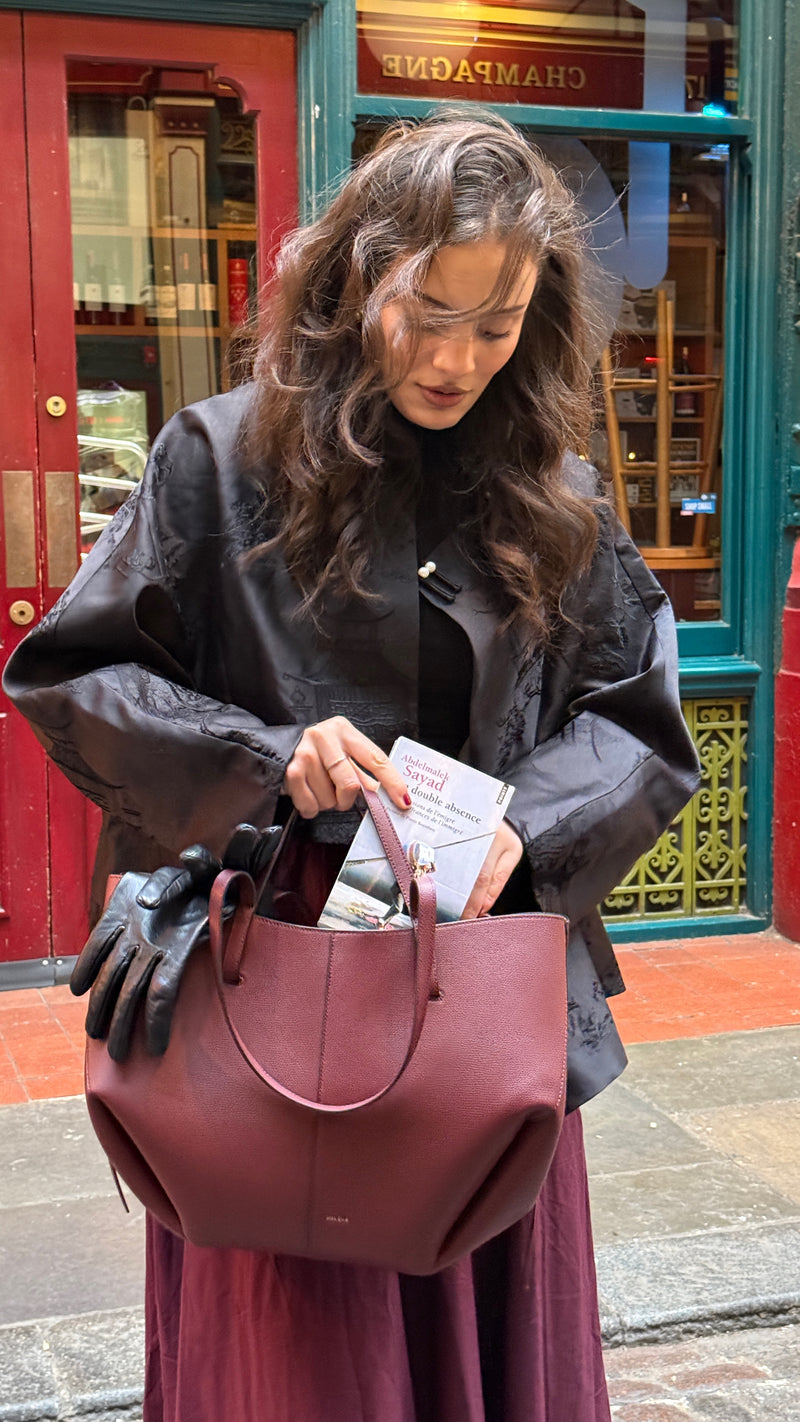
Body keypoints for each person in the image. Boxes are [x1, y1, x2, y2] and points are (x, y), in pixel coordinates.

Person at [3, 112, 700, 1421]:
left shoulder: (554, 488)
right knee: (294, 1358)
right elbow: (72, 678)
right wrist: (268, 755)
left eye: (496, 327)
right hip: (267, 1001)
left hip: (481, 978)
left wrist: (529, 829)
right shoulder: (219, 461)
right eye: (427, 313)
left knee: (490, 1313)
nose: (454, 359)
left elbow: (636, 718)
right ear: (357, 276)